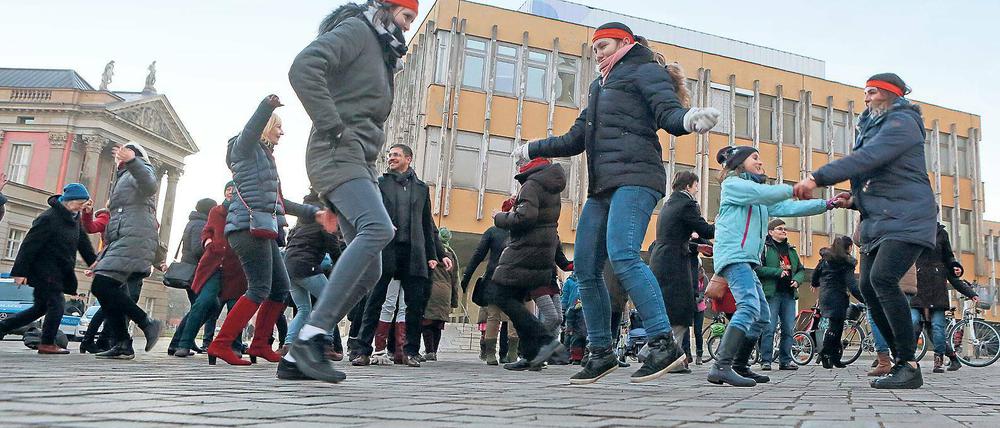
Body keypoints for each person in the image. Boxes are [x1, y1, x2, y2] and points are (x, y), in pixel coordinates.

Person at [516, 21, 721, 384]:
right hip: (603, 187)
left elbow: (667, 112)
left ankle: (663, 343)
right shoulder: (599, 86)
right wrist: (534, 148)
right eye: (595, 48)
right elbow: (576, 138)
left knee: (623, 254)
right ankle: (600, 352)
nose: (598, 54)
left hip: (638, 178)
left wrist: (688, 120)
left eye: (604, 46)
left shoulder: (645, 70)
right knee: (585, 268)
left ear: (624, 42)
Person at [285, 0, 418, 383]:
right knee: (378, 228)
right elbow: (303, 67)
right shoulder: (359, 30)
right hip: (337, 152)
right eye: (406, 16)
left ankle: (294, 359)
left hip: (358, 158)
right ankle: (311, 338)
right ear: (387, 8)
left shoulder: (382, 49)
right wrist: (333, 127)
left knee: (372, 266)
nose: (408, 26)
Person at [794, 73, 937, 389]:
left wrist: (817, 178)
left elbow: (867, 159)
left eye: (872, 91)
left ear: (890, 94)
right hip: (881, 219)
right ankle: (899, 361)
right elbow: (884, 180)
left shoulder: (902, 122)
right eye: (866, 92)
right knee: (869, 287)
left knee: (882, 279)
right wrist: (855, 200)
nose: (866, 97)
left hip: (908, 217)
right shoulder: (875, 127)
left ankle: (908, 364)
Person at [707, 146, 842, 387]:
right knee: (749, 306)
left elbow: (788, 208)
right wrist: (796, 188)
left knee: (762, 316)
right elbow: (764, 193)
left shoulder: (757, 198)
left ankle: (739, 364)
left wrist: (827, 204)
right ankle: (721, 366)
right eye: (755, 158)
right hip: (735, 257)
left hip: (746, 260)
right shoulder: (733, 185)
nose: (760, 162)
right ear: (739, 162)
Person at [207, 95, 325, 367]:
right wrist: (266, 107)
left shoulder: (266, 160)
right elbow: (250, 130)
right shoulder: (243, 148)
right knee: (259, 287)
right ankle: (221, 343)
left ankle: (259, 343)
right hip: (247, 227)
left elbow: (281, 202)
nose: (282, 132)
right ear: (266, 126)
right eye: (278, 126)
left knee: (280, 288)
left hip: (264, 228)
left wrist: (315, 213)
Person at [352, 143, 450, 368]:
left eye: (396, 155)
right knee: (374, 300)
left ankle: (410, 352)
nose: (391, 158)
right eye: (390, 155)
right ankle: (363, 350)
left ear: (408, 158)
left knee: (415, 304)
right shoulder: (380, 183)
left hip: (413, 253)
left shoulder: (422, 188)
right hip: (386, 248)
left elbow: (428, 224)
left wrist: (437, 253)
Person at [87, 142, 164, 359]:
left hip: (135, 237)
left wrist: (133, 160)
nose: (119, 155)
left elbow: (150, 185)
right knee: (104, 287)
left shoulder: (141, 168)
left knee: (103, 285)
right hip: (124, 238)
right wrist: (103, 256)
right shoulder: (123, 177)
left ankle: (146, 323)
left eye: (126, 151)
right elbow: (116, 222)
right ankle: (123, 342)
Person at [490, 158, 569, 371]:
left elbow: (525, 218)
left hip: (524, 250)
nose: (518, 165)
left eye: (520, 161)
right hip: (542, 252)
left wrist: (500, 217)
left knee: (499, 295)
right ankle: (531, 355)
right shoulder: (551, 184)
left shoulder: (532, 184)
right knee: (515, 301)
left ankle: (547, 341)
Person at [0, 183, 97, 354]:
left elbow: (83, 243)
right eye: (80, 203)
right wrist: (20, 272)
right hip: (43, 271)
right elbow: (29, 245)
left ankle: (2, 327)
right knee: (57, 304)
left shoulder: (74, 218)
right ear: (69, 201)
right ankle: (47, 343)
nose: (82, 207)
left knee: (40, 308)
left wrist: (94, 263)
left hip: (59, 271)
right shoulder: (48, 218)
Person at [172, 181, 248, 358]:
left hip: (236, 267)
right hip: (213, 264)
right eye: (228, 189)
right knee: (203, 302)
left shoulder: (245, 212)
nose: (230, 192)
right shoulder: (216, 211)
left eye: (234, 189)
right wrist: (208, 242)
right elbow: (207, 231)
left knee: (235, 306)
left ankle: (235, 346)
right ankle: (184, 344)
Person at [649, 171, 715, 372]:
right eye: (696, 185)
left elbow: (674, 235)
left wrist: (696, 247)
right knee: (681, 310)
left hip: (663, 259)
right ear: (688, 186)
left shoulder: (669, 203)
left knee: (670, 309)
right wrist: (725, 221)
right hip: (675, 263)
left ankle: (667, 356)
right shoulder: (687, 204)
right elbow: (706, 230)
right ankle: (659, 354)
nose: (697, 190)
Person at [282, 191, 344, 358]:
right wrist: (343, 264)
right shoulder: (325, 216)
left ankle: (289, 344)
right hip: (306, 265)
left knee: (303, 309)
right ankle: (326, 344)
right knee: (331, 302)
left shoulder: (302, 220)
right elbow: (333, 245)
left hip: (289, 265)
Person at [911, 223, 979, 373]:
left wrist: (970, 293)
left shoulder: (941, 233)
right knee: (914, 323)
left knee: (936, 328)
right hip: (917, 288)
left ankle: (939, 361)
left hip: (936, 290)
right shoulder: (912, 228)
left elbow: (949, 258)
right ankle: (910, 360)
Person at [754, 219, 807, 371]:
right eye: (779, 229)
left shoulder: (791, 250)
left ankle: (785, 360)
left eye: (784, 229)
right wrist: (777, 272)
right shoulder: (764, 248)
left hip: (789, 294)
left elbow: (801, 270)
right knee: (769, 328)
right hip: (772, 293)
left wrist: (797, 280)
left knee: (788, 329)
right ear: (771, 232)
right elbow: (757, 268)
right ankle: (766, 360)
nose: (784, 231)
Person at [166, 197, 217, 355]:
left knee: (201, 307)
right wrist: (212, 250)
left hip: (191, 270)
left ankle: (186, 339)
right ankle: (178, 342)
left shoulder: (194, 222)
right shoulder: (200, 224)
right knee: (206, 306)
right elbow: (197, 248)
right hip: (196, 271)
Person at [462, 221, 516, 365]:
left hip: (494, 277)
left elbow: (478, 254)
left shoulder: (492, 232)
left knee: (493, 316)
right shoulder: (521, 231)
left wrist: (467, 276)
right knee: (513, 316)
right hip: (514, 278)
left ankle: (491, 354)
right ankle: (512, 353)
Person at [811, 235, 862, 369]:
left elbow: (815, 275)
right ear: (849, 247)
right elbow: (852, 285)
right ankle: (826, 354)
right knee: (835, 327)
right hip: (838, 297)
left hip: (825, 296)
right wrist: (865, 299)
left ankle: (834, 357)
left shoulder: (825, 259)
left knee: (836, 326)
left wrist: (815, 284)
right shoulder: (846, 263)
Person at [423, 227, 461, 361]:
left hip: (430, 289)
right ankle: (434, 351)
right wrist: (454, 301)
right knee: (438, 324)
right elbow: (455, 281)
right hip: (446, 292)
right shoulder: (452, 256)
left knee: (427, 322)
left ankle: (429, 350)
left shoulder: (430, 252)